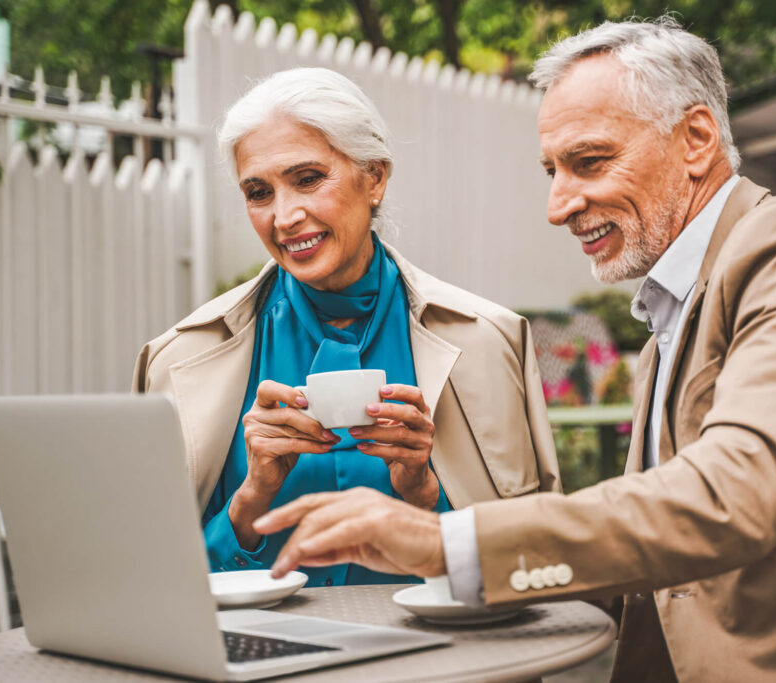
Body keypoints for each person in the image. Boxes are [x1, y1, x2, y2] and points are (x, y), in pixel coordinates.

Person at [254, 18, 776, 681]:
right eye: (553, 171)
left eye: (589, 161)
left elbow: (730, 497)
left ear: (697, 140)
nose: (558, 204)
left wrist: (447, 540)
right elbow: (655, 554)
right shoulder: (671, 320)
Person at [133, 67, 560, 588]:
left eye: (308, 179)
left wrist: (424, 493)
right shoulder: (177, 360)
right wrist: (250, 500)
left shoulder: (489, 341)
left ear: (374, 177)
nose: (284, 215)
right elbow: (152, 587)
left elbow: (535, 566)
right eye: (258, 191)